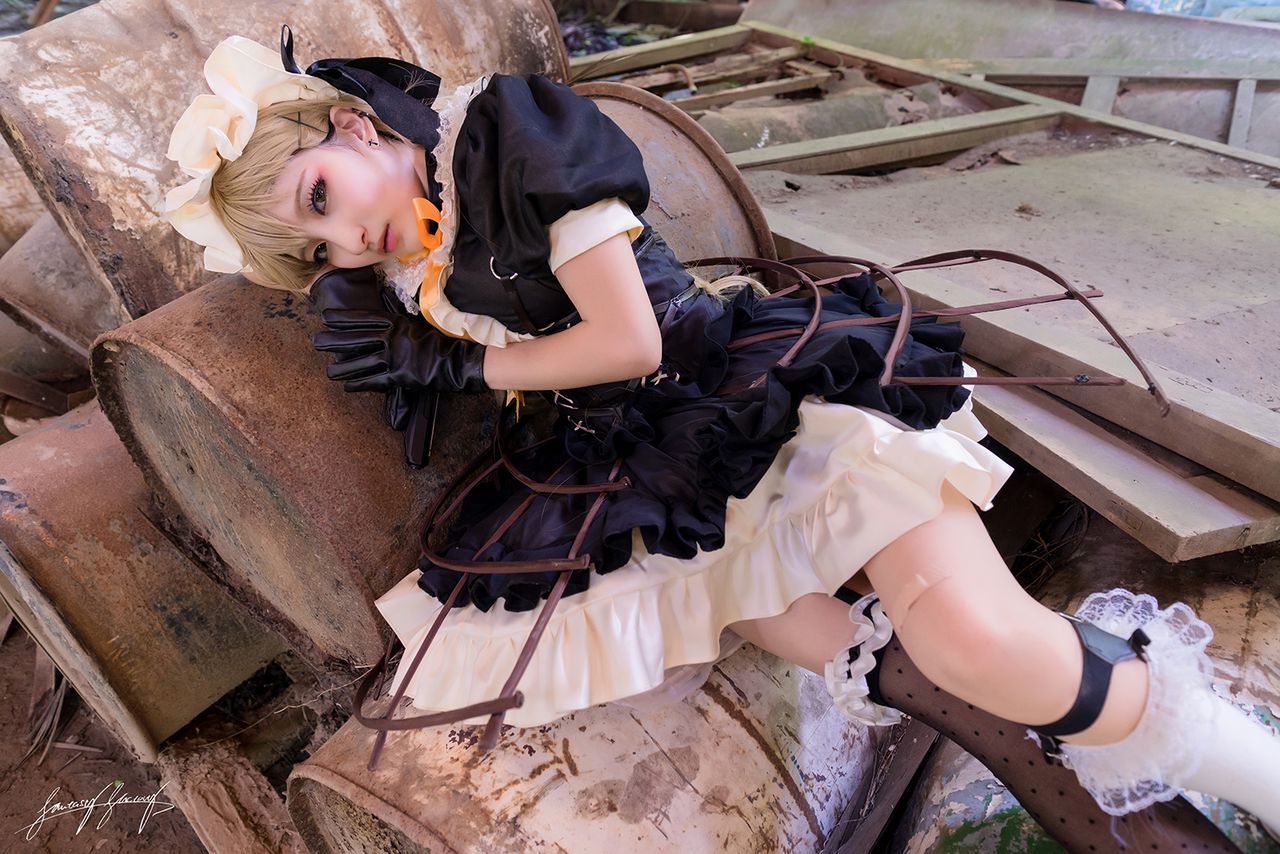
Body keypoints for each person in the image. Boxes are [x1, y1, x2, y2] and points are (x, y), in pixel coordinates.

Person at [161, 28, 1278, 848]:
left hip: (749, 391)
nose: (342, 244)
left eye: (320, 197)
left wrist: (460, 366)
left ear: (357, 125)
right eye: (313, 249)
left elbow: (629, 339)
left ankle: (1246, 768)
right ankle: (1080, 750)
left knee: (977, 646)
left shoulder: (506, 135)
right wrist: (403, 325)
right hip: (644, 468)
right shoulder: (408, 259)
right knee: (900, 670)